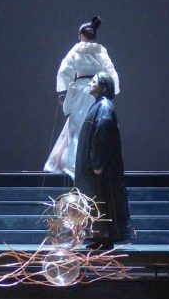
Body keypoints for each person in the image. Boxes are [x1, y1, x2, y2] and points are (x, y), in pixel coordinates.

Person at [44, 16, 120, 180]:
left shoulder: (76, 51)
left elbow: (64, 71)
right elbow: (111, 72)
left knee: (77, 128)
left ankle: (75, 167)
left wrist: (64, 91)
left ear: (81, 35)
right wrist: (111, 91)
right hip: (97, 91)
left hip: (80, 92)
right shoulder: (100, 52)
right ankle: (92, 165)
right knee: (94, 128)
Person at [74, 73, 135, 249]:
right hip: (93, 168)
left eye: (94, 81)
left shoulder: (104, 107)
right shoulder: (99, 106)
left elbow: (101, 136)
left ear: (104, 86)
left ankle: (104, 236)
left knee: (101, 200)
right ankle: (99, 235)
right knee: (95, 201)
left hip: (98, 170)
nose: (90, 84)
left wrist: (97, 162)